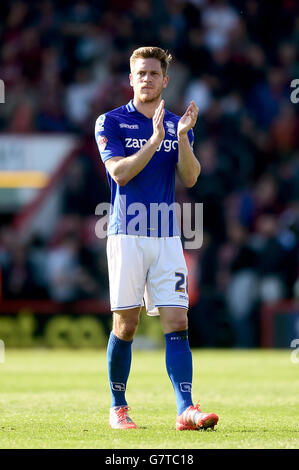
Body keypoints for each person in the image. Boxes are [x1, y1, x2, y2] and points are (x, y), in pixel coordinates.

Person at [95, 46, 219, 431]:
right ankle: (119, 407)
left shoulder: (180, 123)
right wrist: (154, 139)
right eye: (141, 73)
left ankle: (185, 409)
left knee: (178, 320)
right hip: (126, 234)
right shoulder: (111, 122)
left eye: (154, 73)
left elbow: (191, 176)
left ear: (166, 81)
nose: (147, 79)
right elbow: (119, 174)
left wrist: (180, 138)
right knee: (126, 325)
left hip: (167, 236)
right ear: (130, 80)